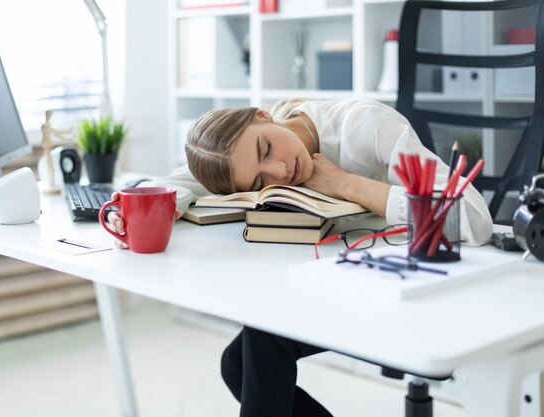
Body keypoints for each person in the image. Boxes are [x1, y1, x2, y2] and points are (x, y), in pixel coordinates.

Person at [107, 98, 493, 416]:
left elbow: (473, 218)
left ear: (263, 114)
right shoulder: (252, 147)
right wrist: (125, 209)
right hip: (342, 276)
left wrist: (344, 184)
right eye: (260, 182)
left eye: (266, 148)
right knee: (237, 365)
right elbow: (180, 181)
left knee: (262, 337)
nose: (279, 171)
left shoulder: (363, 125)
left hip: (413, 286)